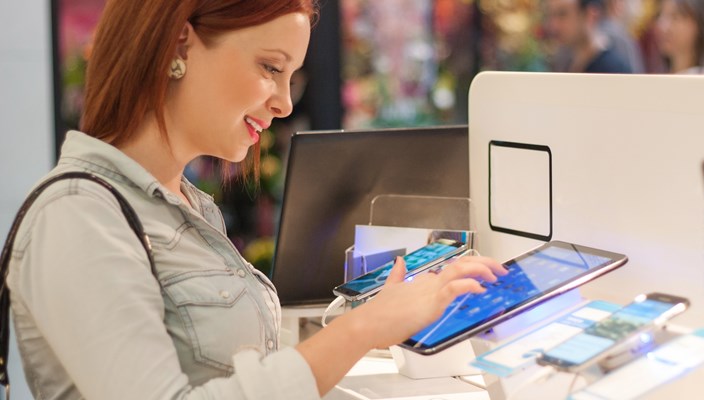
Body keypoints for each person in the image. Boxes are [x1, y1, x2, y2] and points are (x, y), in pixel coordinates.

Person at [5, 1, 506, 399]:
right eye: (270, 67)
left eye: (292, 78)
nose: (285, 102)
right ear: (180, 40)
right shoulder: (75, 214)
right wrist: (365, 326)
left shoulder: (187, 207)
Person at [546, 0, 633, 74]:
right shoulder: (564, 61)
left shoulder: (614, 70)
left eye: (562, 14)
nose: (554, 26)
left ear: (591, 15)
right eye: (551, 15)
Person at [654, 0, 704, 74]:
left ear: (699, 24)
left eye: (675, 17)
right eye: (660, 15)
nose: (663, 26)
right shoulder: (657, 77)